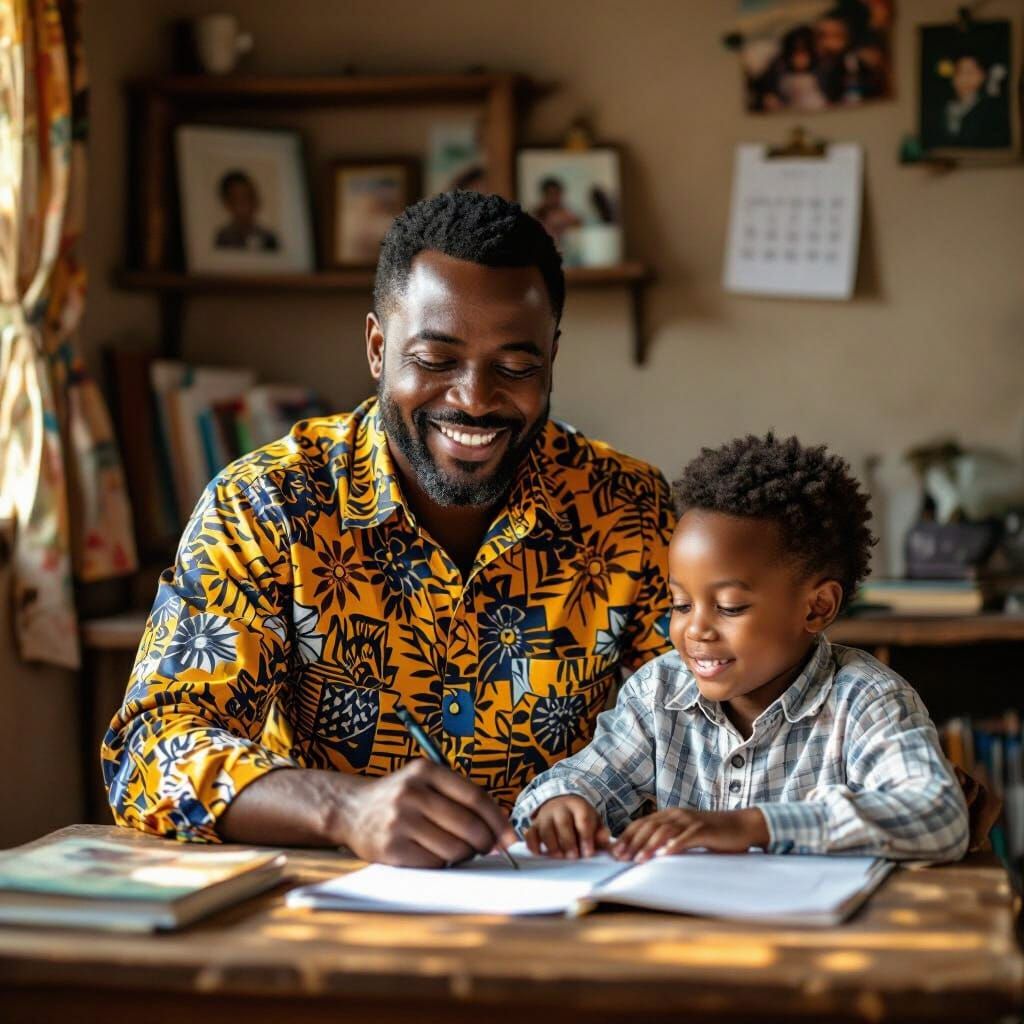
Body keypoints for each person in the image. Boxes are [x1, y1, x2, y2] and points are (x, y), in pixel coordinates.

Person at [102, 191, 674, 867]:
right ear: (378, 348)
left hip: (573, 914)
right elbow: (153, 748)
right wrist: (344, 809)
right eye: (435, 360)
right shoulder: (269, 505)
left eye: (516, 368)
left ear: (552, 356)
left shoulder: (628, 510)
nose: (474, 398)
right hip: (336, 909)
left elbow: (696, 741)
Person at [514, 434, 970, 863]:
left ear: (817, 608)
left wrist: (754, 826)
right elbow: (585, 777)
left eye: (729, 608)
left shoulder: (864, 700)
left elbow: (938, 815)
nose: (695, 630)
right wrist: (563, 803)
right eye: (680, 603)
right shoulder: (658, 693)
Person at [214, 170, 279, 251]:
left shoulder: (269, 238)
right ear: (228, 204)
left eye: (249, 197)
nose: (246, 205)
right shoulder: (223, 238)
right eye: (238, 199)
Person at [531, 177, 582, 247]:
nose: (554, 198)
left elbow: (578, 223)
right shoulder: (536, 213)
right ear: (545, 195)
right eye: (551, 194)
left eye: (557, 194)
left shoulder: (565, 213)